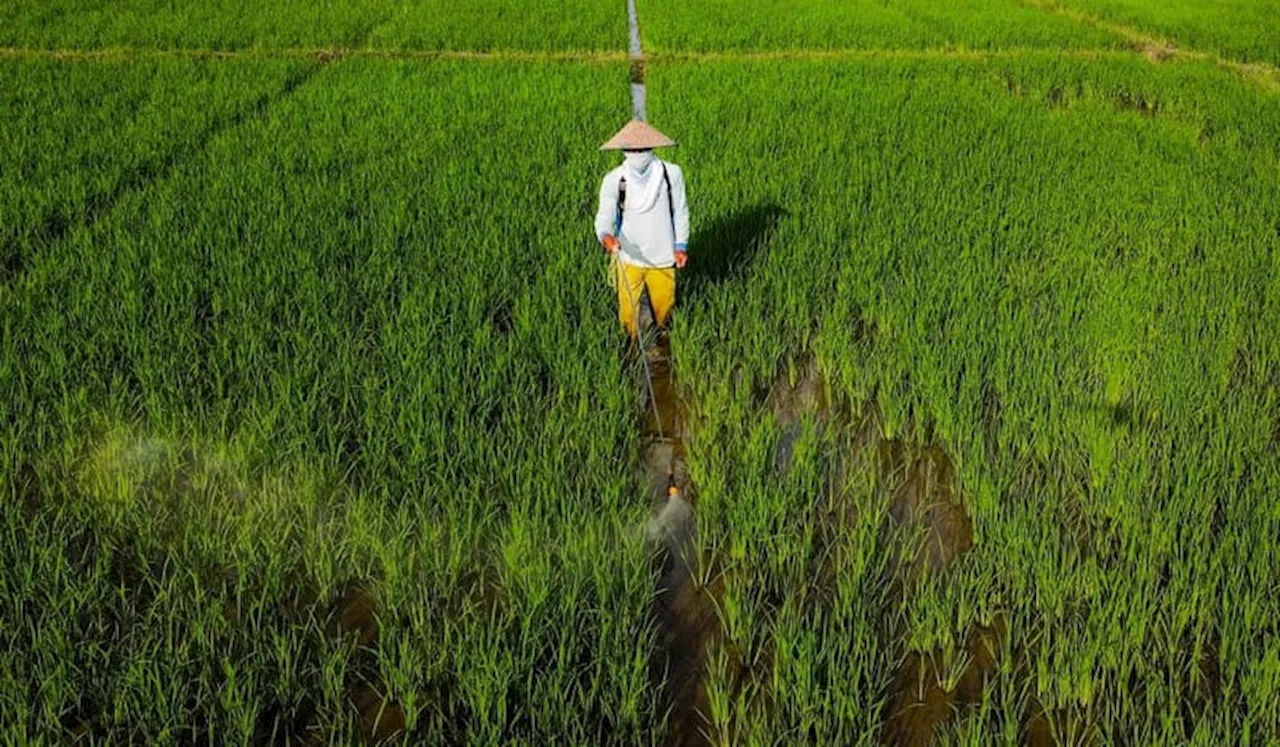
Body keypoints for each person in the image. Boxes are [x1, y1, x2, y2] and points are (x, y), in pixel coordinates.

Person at [594, 120, 690, 340]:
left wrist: (680, 245)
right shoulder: (614, 179)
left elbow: (681, 211)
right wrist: (606, 236)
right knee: (628, 313)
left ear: (652, 148)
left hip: (663, 256)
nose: (637, 153)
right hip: (628, 257)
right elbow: (604, 217)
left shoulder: (671, 174)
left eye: (642, 148)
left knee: (664, 307)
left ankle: (660, 341)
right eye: (631, 149)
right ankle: (631, 348)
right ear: (624, 150)